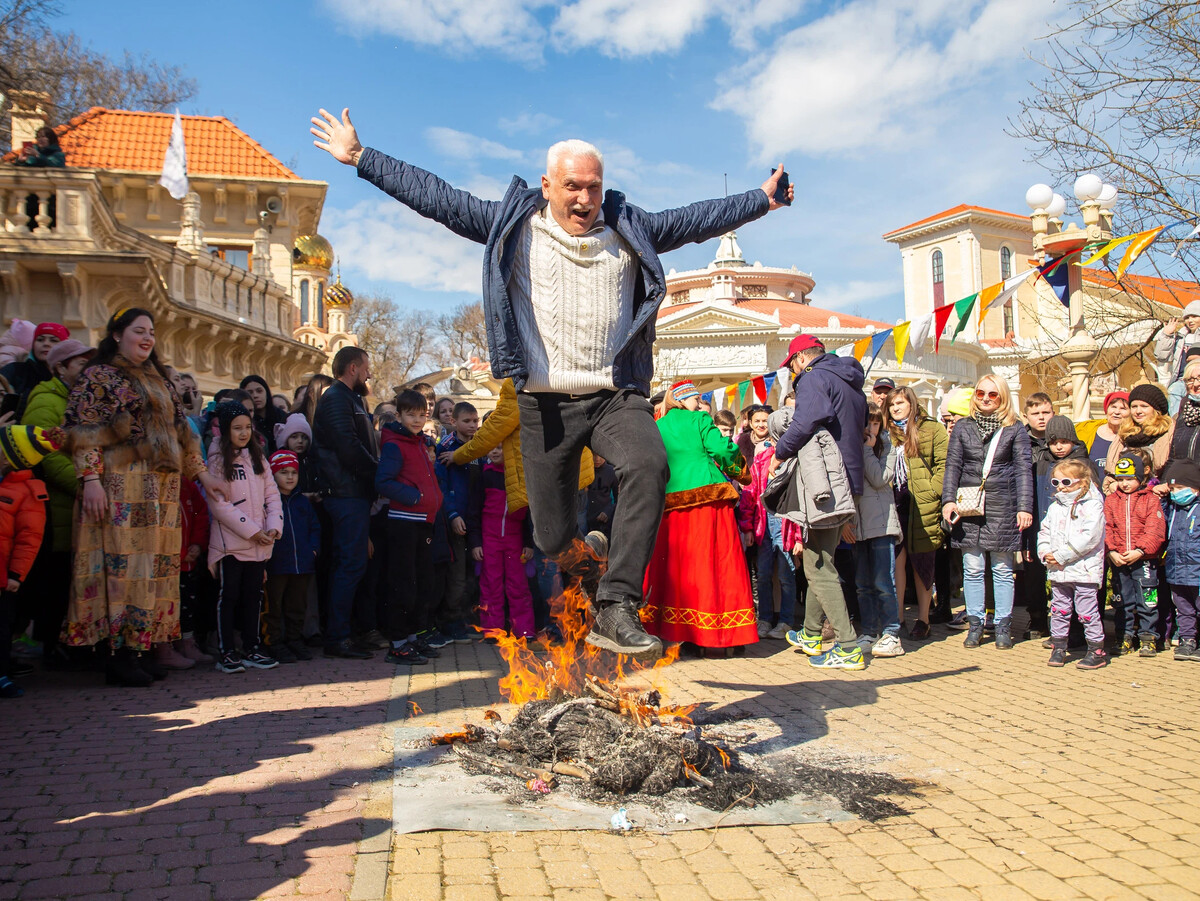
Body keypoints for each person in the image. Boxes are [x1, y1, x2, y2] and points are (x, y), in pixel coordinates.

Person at [312, 107, 793, 656]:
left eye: (594, 187)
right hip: (543, 403)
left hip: (614, 395)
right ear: (547, 185)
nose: (584, 200)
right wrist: (361, 158)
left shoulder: (628, 228)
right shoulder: (513, 227)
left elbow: (694, 218)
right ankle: (585, 560)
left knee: (648, 463)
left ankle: (616, 605)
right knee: (547, 536)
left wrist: (761, 199)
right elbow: (439, 198)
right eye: (572, 187)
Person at [61, 308, 220, 687]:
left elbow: (184, 433)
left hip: (159, 496)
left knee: (153, 572)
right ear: (117, 335)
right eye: (139, 331)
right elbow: (83, 430)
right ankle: (117, 655)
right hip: (119, 489)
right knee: (121, 570)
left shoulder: (160, 380)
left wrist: (203, 476)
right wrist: (91, 479)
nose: (148, 338)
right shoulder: (99, 376)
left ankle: (141, 648)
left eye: (151, 332)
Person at [773, 335, 867, 671]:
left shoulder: (812, 377)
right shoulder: (849, 380)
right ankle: (811, 633)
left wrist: (780, 452)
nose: (793, 374)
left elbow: (807, 419)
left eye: (792, 366)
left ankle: (848, 646)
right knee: (819, 555)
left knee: (817, 565)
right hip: (848, 478)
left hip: (827, 482)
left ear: (800, 359)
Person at [642, 380, 756, 654]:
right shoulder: (699, 419)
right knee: (719, 564)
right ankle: (729, 634)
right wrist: (741, 471)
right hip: (708, 500)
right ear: (682, 401)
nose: (699, 401)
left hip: (670, 505)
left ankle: (686, 635)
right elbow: (723, 449)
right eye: (695, 397)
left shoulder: (658, 426)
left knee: (681, 570)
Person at [941, 375, 1034, 651]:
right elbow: (953, 466)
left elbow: (1023, 470)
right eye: (981, 393)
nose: (985, 398)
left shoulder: (1014, 429)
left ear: (1003, 397)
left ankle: (1003, 625)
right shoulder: (963, 427)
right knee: (972, 568)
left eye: (992, 394)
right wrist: (948, 500)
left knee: (1003, 569)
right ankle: (975, 624)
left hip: (1003, 504)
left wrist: (1024, 507)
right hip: (969, 504)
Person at [19, 339, 93, 666]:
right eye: (80, 364)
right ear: (61, 367)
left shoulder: (82, 400)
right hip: (56, 506)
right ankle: (50, 647)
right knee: (53, 581)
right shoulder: (46, 400)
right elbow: (44, 454)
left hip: (76, 506)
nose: (87, 370)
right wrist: (86, 485)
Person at [206, 401, 283, 673]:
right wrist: (252, 530)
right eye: (236, 428)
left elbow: (272, 494)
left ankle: (252, 646)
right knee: (230, 596)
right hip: (231, 543)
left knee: (254, 595)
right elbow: (219, 505)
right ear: (225, 429)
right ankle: (227, 650)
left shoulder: (258, 457)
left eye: (247, 427)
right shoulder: (217, 459)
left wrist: (273, 526)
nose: (243, 433)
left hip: (260, 542)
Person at [311, 346, 378, 659]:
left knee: (354, 565)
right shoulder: (337, 399)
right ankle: (338, 637)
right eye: (366, 367)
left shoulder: (352, 399)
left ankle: (348, 631)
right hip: (344, 492)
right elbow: (348, 449)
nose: (369, 373)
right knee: (348, 565)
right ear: (353, 367)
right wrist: (379, 472)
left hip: (354, 492)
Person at [376, 389, 445, 663]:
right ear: (400, 415)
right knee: (403, 584)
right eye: (411, 415)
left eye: (421, 415)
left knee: (422, 584)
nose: (417, 420)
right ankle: (398, 643)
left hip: (424, 523)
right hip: (405, 522)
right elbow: (383, 482)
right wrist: (415, 497)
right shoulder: (395, 444)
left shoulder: (419, 442)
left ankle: (413, 638)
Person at [1024, 415, 1101, 639]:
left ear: (1074, 441)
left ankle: (1082, 634)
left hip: (1078, 541)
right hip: (1050, 533)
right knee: (1059, 592)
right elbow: (1037, 498)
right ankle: (1056, 632)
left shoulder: (1085, 465)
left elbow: (1094, 506)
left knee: (1081, 591)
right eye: (1053, 441)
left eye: (1064, 441)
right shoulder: (1043, 463)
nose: (1058, 446)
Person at [883, 386, 947, 638]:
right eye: (891, 405)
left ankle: (923, 618)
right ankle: (898, 618)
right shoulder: (887, 433)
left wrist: (933, 492)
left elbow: (944, 464)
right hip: (894, 503)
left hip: (923, 504)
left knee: (923, 565)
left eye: (900, 403)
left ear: (912, 403)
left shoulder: (931, 429)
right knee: (897, 562)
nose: (896, 408)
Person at [0, 426, 57, 697]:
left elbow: (30, 538)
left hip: (4, 578)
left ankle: (1, 674)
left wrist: (16, 574)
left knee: (1, 626)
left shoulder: (28, 491)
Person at [736, 404, 798, 642]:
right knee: (762, 574)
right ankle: (764, 619)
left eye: (767, 422)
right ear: (751, 423)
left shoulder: (791, 459)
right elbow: (751, 494)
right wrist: (748, 527)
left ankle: (785, 621)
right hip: (762, 523)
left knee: (785, 573)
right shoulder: (759, 458)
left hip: (784, 521)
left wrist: (799, 537)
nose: (762, 426)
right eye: (758, 421)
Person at [1039, 459, 1107, 668]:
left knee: (1087, 611)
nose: (1060, 487)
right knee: (1059, 610)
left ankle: (1096, 650)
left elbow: (1090, 538)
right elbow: (1045, 532)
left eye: (1066, 481)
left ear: (1082, 482)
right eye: (1055, 482)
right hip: (1059, 572)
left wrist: (1061, 556)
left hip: (1084, 570)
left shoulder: (1093, 506)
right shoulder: (1055, 507)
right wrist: (1045, 552)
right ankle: (1059, 646)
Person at [469, 446, 536, 641]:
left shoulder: (520, 478)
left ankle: (524, 631)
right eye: (491, 448)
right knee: (491, 585)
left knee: (519, 585)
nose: (495, 451)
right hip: (490, 538)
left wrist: (528, 542)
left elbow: (527, 515)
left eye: (500, 447)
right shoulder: (484, 476)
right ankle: (492, 630)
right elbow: (473, 511)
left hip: (515, 540)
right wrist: (475, 542)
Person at [1104, 454, 1166, 657]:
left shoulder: (1150, 500)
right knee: (1122, 601)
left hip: (1145, 561)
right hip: (1120, 560)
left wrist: (1141, 550)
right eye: (1120, 479)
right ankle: (1125, 637)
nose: (1125, 484)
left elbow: (1155, 530)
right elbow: (1107, 527)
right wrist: (1112, 550)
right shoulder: (1112, 501)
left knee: (1148, 601)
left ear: (1141, 477)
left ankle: (1149, 638)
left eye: (1129, 479)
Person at [856, 403, 904, 658]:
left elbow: (878, 478)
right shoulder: (852, 448)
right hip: (859, 525)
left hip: (882, 524)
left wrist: (867, 449)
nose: (870, 428)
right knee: (863, 584)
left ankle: (892, 632)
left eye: (875, 423)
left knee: (883, 582)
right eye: (866, 423)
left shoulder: (888, 449)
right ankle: (870, 631)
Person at [263, 451, 320, 664]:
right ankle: (273, 643)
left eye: (294, 472)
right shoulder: (268, 501)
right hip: (277, 564)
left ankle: (294, 640)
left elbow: (314, 527)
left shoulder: (302, 502)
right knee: (274, 607)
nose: (289, 477)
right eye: (283, 472)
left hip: (302, 564)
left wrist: (313, 549)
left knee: (297, 606)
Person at [436, 402, 482, 643]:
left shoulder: (480, 447)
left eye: (475, 421)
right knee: (456, 576)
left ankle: (467, 618)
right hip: (455, 522)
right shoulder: (445, 448)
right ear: (453, 422)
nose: (473, 425)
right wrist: (452, 515)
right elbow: (442, 487)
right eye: (467, 421)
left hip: (477, 522)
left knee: (473, 574)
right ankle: (450, 621)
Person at [1103, 384, 1173, 492]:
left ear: (1156, 409)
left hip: (1156, 495)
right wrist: (1113, 483)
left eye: (1144, 406)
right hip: (1124, 497)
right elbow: (1111, 471)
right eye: (1134, 406)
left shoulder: (1167, 432)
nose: (1138, 411)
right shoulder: (1124, 433)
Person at [1162, 460, 1200, 662]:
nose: (1176, 493)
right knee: (1184, 609)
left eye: (1181, 488)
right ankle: (1187, 640)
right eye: (1173, 489)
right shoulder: (1172, 508)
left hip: (1197, 572)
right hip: (1176, 570)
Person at [176, 474, 212, 665]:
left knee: (188, 605)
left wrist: (198, 544)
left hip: (189, 560)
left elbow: (200, 513)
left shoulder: (188, 485)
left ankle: (188, 643)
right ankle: (166, 647)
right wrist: (180, 552)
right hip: (169, 564)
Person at [0, 322, 68, 418]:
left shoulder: (71, 376)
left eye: (53, 340)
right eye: (40, 339)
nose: (46, 344)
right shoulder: (14, 370)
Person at [1154, 300, 1200, 383]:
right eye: (1187, 318)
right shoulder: (1180, 337)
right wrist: (1166, 335)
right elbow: (1161, 357)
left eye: (1194, 316)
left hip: (1197, 379)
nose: (1190, 320)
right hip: (1180, 379)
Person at [240, 375, 288, 453]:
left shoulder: (281, 416)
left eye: (259, 391)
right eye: (250, 392)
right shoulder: (242, 419)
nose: (255, 396)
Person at [1085, 391, 1130, 476]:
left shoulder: (1133, 437)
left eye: (1123, 408)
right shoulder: (1088, 431)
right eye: (1113, 407)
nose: (1116, 412)